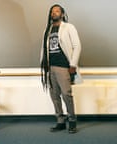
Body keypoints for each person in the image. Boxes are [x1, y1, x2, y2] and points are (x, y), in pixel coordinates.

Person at [40, 4, 82, 134]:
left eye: (57, 11)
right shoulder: (48, 29)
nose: (54, 13)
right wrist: (43, 65)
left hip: (63, 67)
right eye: (52, 11)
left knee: (66, 94)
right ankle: (60, 121)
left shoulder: (69, 27)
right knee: (54, 96)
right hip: (50, 67)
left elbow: (77, 46)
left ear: (62, 14)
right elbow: (44, 49)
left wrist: (73, 65)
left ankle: (72, 121)